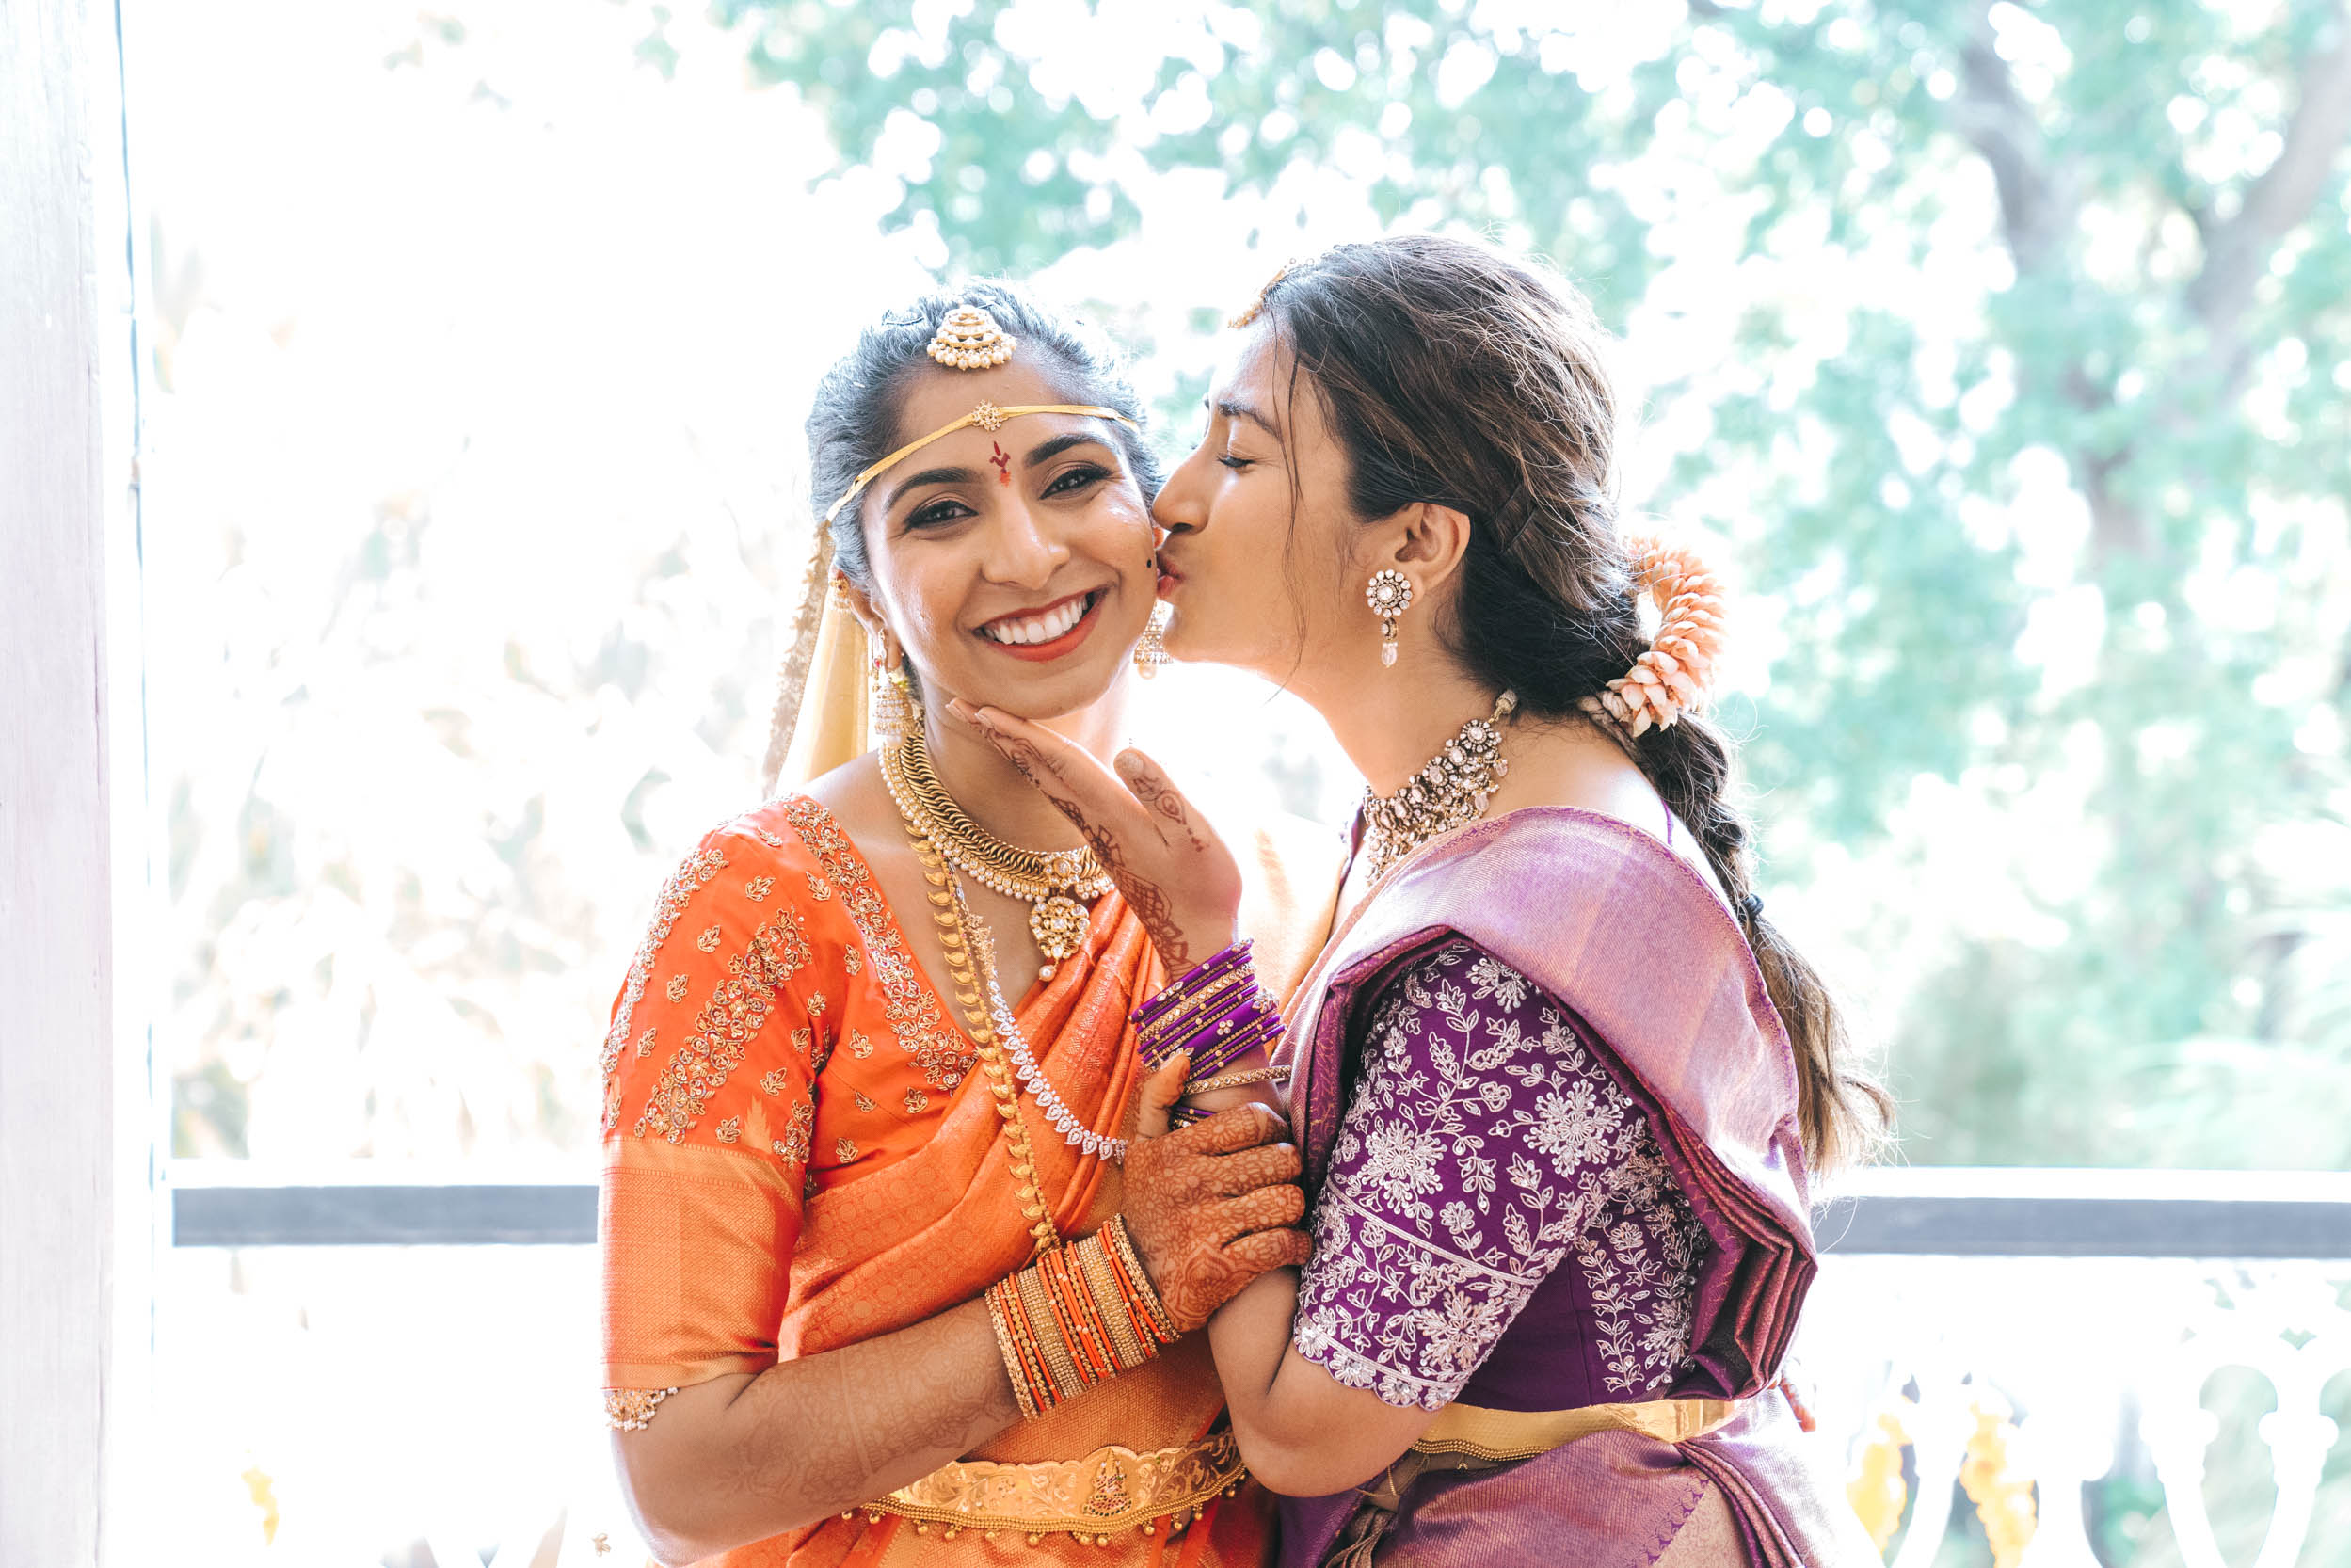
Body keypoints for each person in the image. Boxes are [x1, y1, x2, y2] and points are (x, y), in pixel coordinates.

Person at [958, 236, 1891, 1565]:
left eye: (1237, 454)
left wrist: (1205, 988)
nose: (1168, 500)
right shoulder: (1454, 804)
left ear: (1410, 541)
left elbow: (1300, 1430)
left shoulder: (1516, 949)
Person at [597, 283, 1340, 1567]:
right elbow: (680, 1471)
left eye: (1070, 479)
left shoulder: (1287, 888)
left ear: (1153, 517)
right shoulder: (764, 906)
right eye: (941, 510)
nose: (1027, 553)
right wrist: (1121, 1288)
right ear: (867, 591)